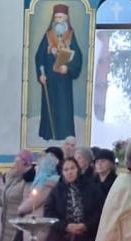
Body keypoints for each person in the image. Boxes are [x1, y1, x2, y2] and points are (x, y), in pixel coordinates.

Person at [35, 7, 84, 142]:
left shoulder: (70, 35)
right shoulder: (48, 35)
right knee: (49, 107)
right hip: (50, 80)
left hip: (64, 81)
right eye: (56, 17)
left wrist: (67, 68)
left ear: (66, 18)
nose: (58, 20)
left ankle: (64, 134)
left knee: (63, 107)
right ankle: (48, 134)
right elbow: (39, 56)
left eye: (61, 17)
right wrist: (40, 75)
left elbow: (78, 57)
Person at [43, 156, 103, 241]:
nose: (69, 172)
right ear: (62, 172)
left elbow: (99, 211)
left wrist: (86, 225)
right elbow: (48, 213)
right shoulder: (56, 191)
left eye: (72, 168)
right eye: (66, 170)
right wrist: (66, 226)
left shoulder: (92, 188)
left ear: (78, 169)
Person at [0, 150, 36, 241]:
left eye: (17, 162)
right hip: (5, 224)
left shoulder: (28, 180)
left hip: (17, 226)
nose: (14, 165)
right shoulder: (13, 178)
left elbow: (26, 203)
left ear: (25, 163)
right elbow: (4, 198)